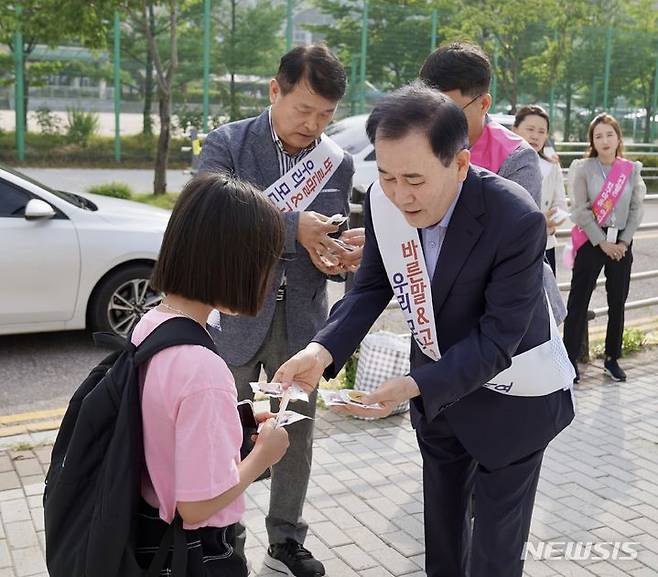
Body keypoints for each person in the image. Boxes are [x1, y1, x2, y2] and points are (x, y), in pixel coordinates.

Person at [274, 84, 575, 577]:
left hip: (513, 401)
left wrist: (411, 386)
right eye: (388, 176)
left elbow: (499, 338)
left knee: (495, 556)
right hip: (439, 406)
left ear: (459, 164)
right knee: (442, 541)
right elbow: (370, 288)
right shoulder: (383, 201)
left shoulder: (515, 218)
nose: (400, 194)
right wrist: (320, 351)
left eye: (414, 178)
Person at [198, 44, 359, 577]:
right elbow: (207, 218)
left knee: (295, 435)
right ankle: (225, 534)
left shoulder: (338, 162)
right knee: (228, 431)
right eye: (303, 109)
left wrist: (339, 260)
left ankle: (286, 539)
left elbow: (329, 239)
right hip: (236, 319)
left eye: (326, 115)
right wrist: (293, 227)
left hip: (304, 323)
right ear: (275, 91)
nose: (313, 125)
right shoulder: (228, 144)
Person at [133, 172, 290, 576]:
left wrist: (231, 425)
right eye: (265, 261)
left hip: (148, 529)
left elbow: (165, 425)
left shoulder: (153, 323)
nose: (267, 276)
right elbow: (197, 504)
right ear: (235, 264)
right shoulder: (203, 370)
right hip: (195, 552)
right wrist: (261, 457)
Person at [419, 41, 566, 322]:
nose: (438, 122)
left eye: (450, 110)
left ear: (484, 103)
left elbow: (510, 245)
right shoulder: (424, 143)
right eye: (429, 109)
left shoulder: (516, 157)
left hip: (509, 313)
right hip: (446, 303)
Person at [563, 113, 646, 383]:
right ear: (592, 141)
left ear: (618, 137)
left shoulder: (631, 169)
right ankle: (569, 360)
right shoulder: (584, 168)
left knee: (617, 303)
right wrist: (603, 242)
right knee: (578, 302)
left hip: (622, 244)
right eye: (598, 136)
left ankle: (612, 359)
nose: (604, 140)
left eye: (609, 134)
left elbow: (636, 209)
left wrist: (623, 242)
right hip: (592, 241)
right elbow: (580, 209)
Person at [513, 105, 568, 275]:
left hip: (545, 245)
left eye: (541, 131)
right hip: (510, 247)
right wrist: (539, 222)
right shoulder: (504, 162)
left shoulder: (552, 166)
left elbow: (561, 206)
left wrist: (551, 223)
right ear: (515, 129)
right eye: (530, 129)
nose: (535, 136)